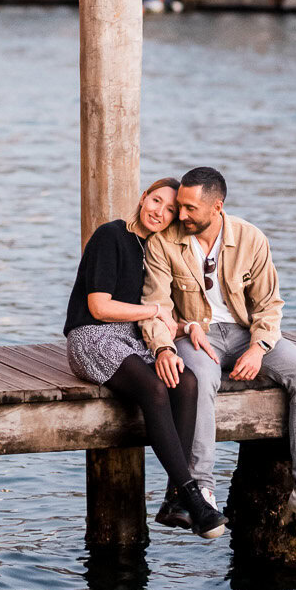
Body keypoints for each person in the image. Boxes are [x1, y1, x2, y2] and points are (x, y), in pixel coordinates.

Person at [139, 166, 296, 535]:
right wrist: (164, 347)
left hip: (248, 334)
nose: (180, 215)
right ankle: (202, 489)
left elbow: (269, 305)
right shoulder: (163, 242)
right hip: (197, 335)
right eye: (178, 206)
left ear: (217, 207)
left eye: (189, 209)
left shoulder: (251, 238)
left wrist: (259, 348)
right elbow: (156, 306)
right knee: (201, 379)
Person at [63, 177, 226, 540]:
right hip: (91, 337)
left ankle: (172, 501)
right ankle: (192, 496)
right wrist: (154, 310)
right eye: (156, 201)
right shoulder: (111, 236)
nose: (160, 212)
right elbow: (99, 307)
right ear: (142, 198)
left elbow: (161, 316)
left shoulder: (157, 249)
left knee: (186, 383)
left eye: (170, 210)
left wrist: (187, 328)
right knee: (154, 388)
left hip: (133, 338)